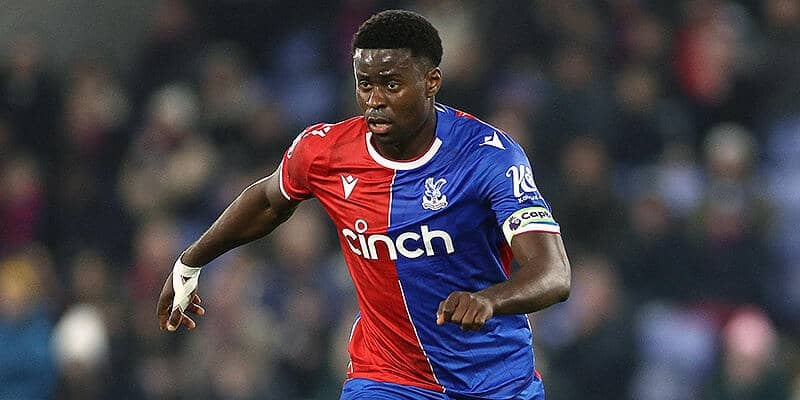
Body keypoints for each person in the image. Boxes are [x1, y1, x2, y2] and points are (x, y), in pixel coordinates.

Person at [157, 9, 571, 400]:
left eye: (391, 85)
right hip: (387, 377)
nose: (374, 99)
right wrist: (189, 262)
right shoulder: (324, 151)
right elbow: (267, 201)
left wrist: (489, 299)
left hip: (494, 381)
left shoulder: (488, 157)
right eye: (365, 84)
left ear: (431, 81)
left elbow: (553, 273)